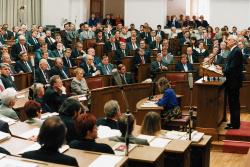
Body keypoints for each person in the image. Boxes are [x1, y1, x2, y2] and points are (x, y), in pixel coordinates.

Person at [224, 35, 244, 129]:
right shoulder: (233, 50)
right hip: (231, 82)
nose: (226, 41)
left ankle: (235, 124)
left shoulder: (236, 51)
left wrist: (222, 71)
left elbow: (232, 67)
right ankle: (233, 122)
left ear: (234, 41)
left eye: (228, 40)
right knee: (232, 103)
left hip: (234, 82)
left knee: (234, 103)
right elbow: (229, 65)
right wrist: (222, 69)